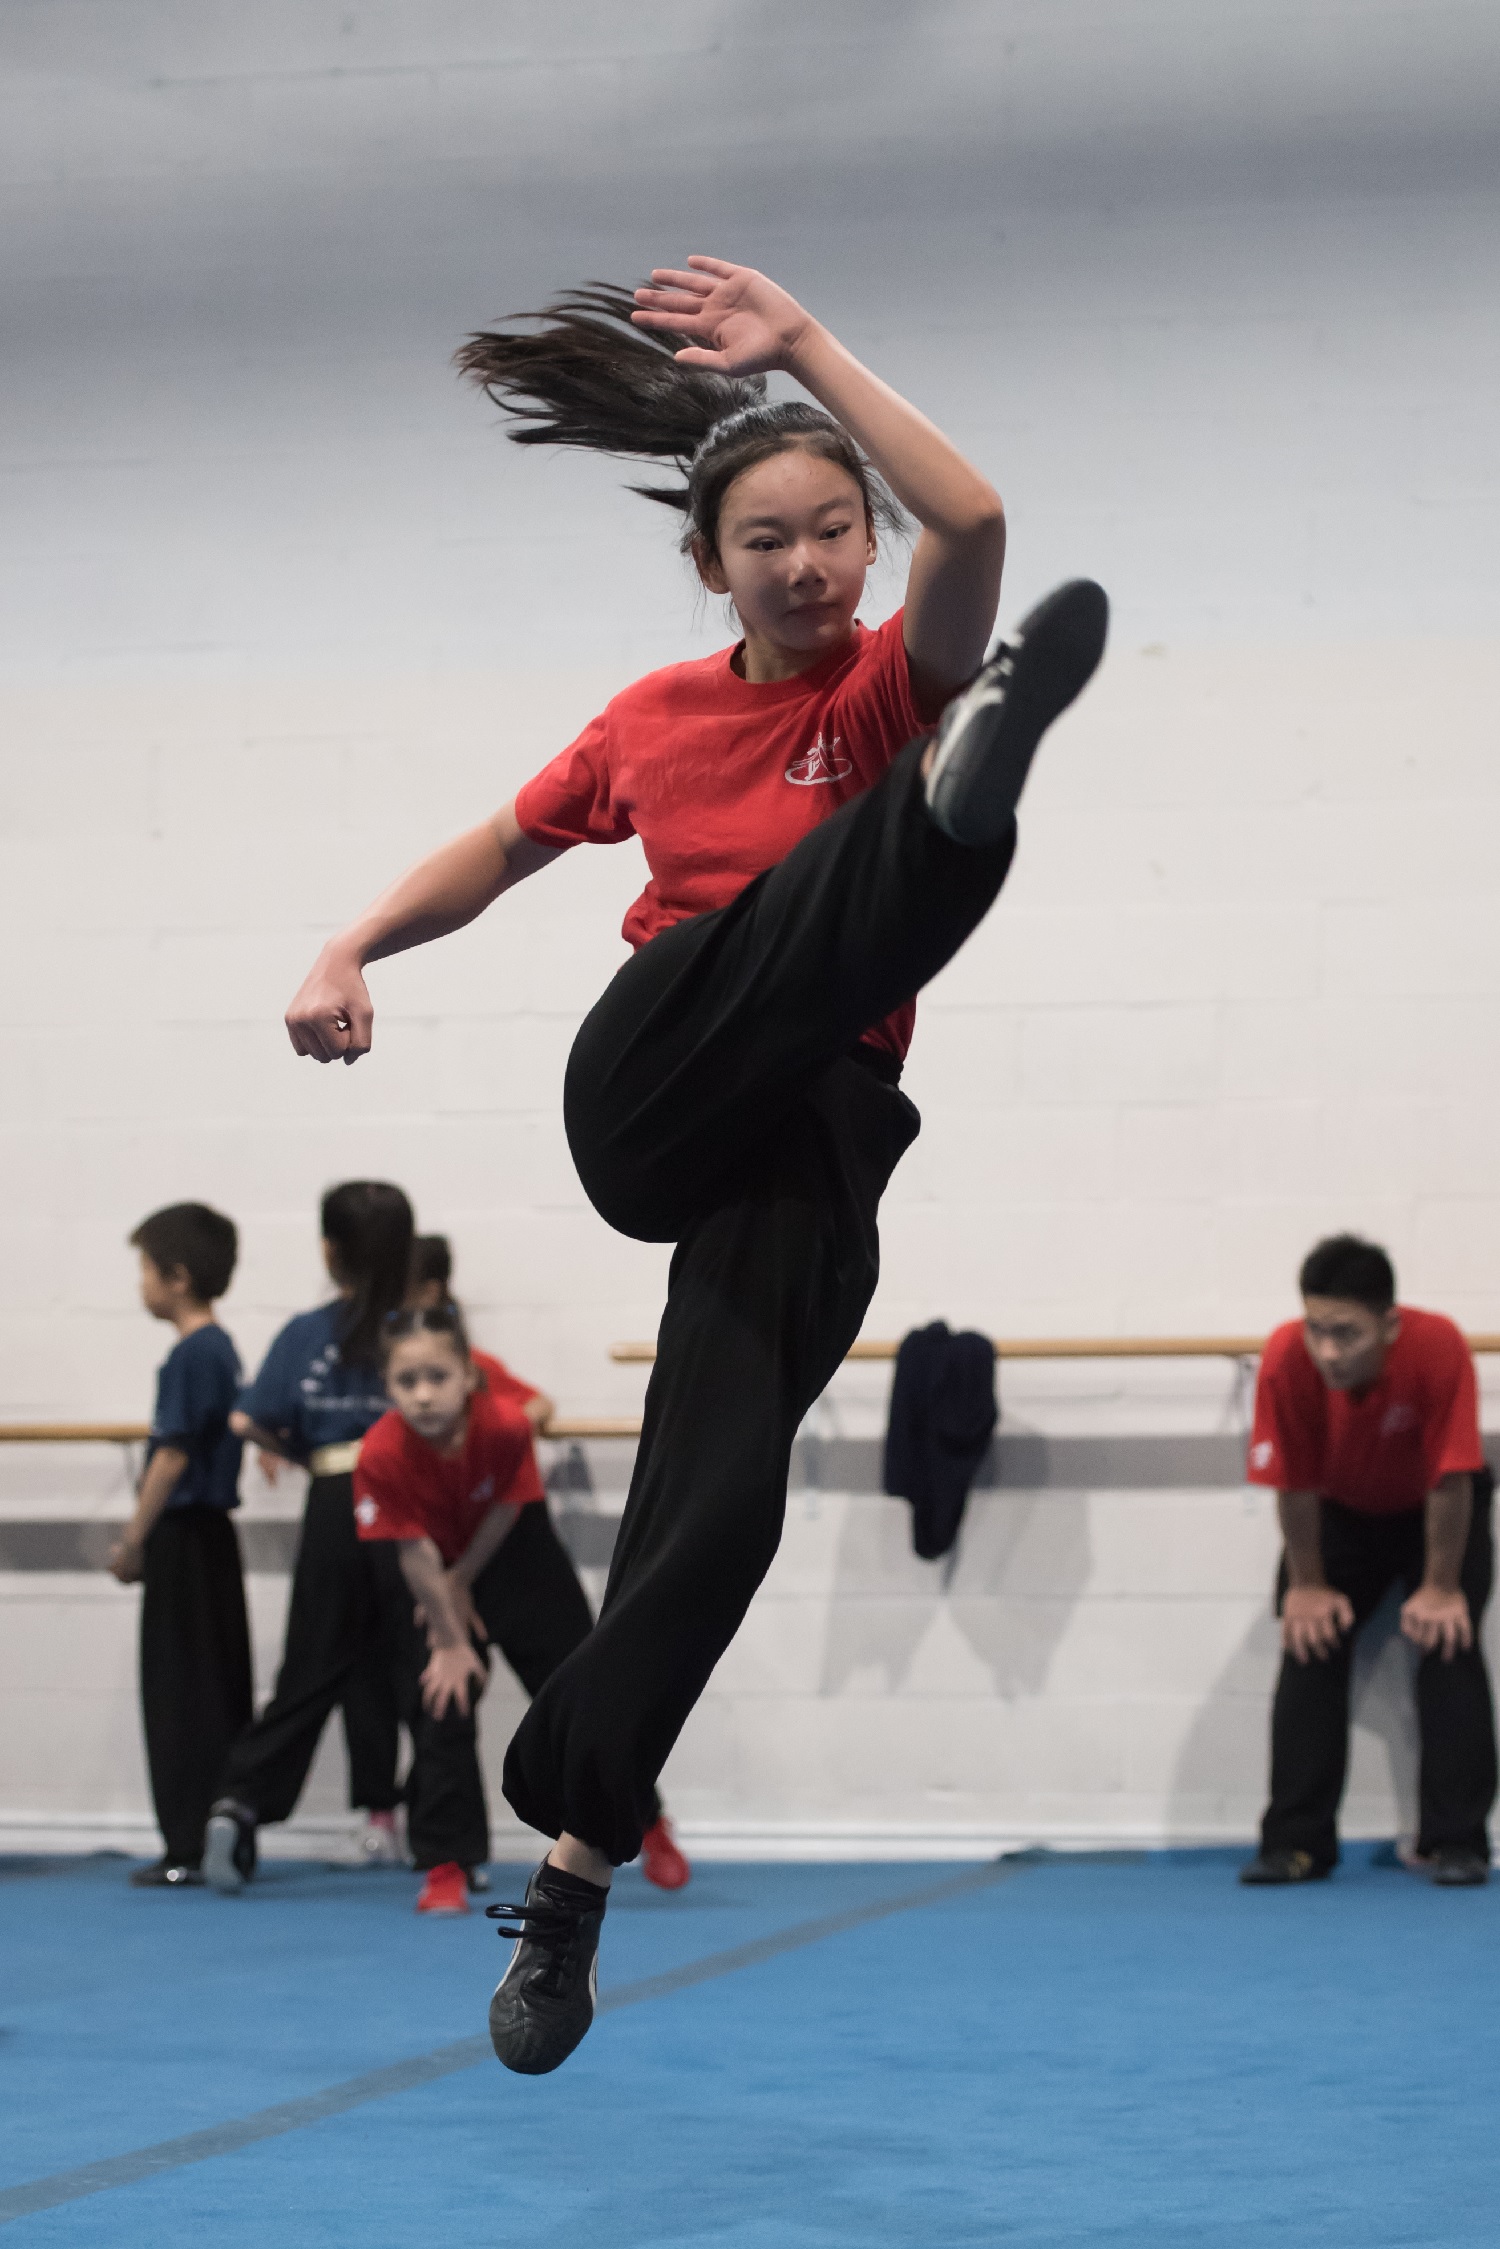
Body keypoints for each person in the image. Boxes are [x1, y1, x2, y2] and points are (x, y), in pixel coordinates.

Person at [284, 256, 1108, 2070]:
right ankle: (959, 824)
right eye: (770, 541)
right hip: (657, 1074)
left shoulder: (893, 668)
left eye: (836, 535)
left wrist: (810, 339)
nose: (811, 566)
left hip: (810, 1138)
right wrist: (351, 942)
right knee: (854, 875)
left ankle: (569, 1879)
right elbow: (499, 852)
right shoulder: (655, 718)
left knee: (714, 1510)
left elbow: (973, 514)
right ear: (709, 561)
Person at [407, 1238, 692, 1891]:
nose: (424, 1392)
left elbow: (535, 1408)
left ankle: (646, 1820)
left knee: (584, 1693)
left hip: (519, 1553)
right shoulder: (394, 1420)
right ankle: (447, 1859)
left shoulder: (474, 1374)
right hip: (443, 1559)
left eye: (437, 1380)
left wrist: (494, 1427)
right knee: (441, 1695)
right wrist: (444, 1591)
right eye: (408, 1382)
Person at [1240, 1233, 1497, 1888]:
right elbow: (1293, 1483)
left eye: (1346, 1333)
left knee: (1449, 1644)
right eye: (1316, 1328)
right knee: (1309, 1642)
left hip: (1433, 1509)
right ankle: (1295, 1843)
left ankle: (1458, 1841)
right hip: (1338, 1509)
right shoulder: (1284, 1358)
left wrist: (1441, 1586)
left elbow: (1453, 1476)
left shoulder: (1438, 1346)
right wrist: (1307, 1584)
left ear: (1388, 1322)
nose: (1327, 1350)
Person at [202, 1181, 414, 1892]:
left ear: (331, 1251)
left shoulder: (305, 1332)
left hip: (334, 1496)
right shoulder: (423, 1328)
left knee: (312, 1664)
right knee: (410, 1662)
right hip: (405, 1500)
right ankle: (432, 1833)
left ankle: (241, 1796)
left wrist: (309, 1458)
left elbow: (248, 1419)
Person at [110, 1202, 252, 1887]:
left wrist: (133, 1537)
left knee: (179, 1689)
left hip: (184, 1536)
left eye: (144, 1269)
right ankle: (209, 1827)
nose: (139, 1284)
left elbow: (170, 1456)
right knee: (214, 1682)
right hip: (212, 1541)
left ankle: (186, 1841)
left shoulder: (192, 1354)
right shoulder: (219, 1349)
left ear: (177, 1276)